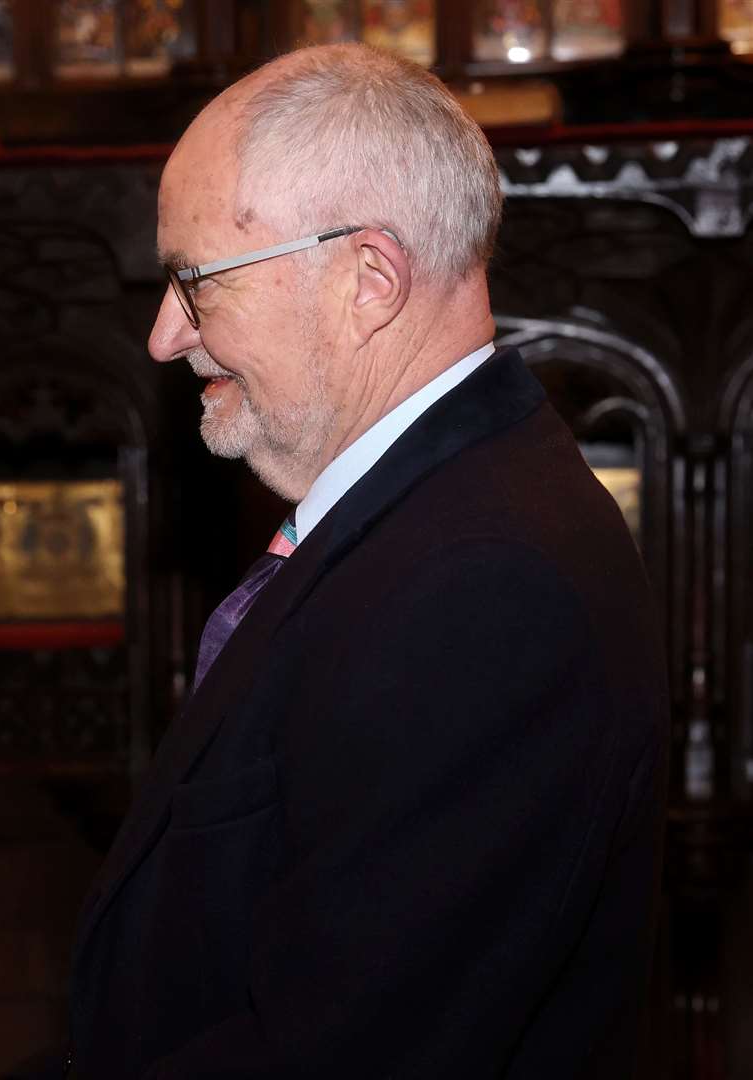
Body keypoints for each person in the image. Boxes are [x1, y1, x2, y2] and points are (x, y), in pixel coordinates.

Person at [66, 44, 668, 1079]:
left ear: (368, 280)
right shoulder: (438, 508)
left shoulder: (483, 587)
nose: (165, 336)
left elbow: (342, 1046)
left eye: (193, 281)